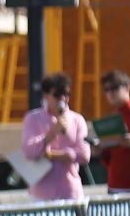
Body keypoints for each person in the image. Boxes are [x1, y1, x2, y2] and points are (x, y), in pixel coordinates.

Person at [20, 71, 92, 204]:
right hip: (42, 194)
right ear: (45, 95)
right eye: (58, 95)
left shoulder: (77, 120)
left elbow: (84, 155)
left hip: (70, 193)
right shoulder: (33, 119)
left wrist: (52, 155)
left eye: (66, 94)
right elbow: (29, 151)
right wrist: (52, 133)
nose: (63, 99)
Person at [94, 70, 130, 194]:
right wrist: (99, 150)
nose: (110, 93)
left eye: (114, 88)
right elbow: (108, 158)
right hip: (115, 185)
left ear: (127, 87)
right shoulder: (112, 119)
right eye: (106, 90)